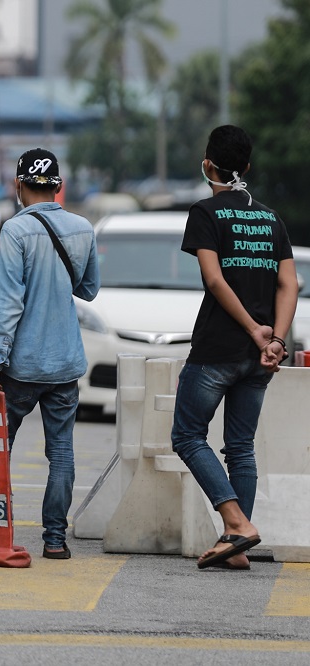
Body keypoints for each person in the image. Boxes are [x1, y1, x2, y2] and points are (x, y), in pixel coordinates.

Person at [171, 125, 297, 570]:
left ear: (208, 164)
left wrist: (251, 330)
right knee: (240, 446)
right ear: (246, 167)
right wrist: (275, 338)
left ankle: (236, 523)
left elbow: (213, 278)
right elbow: (290, 284)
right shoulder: (270, 217)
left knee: (186, 435)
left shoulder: (205, 212)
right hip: (260, 357)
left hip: (218, 349)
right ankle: (234, 544)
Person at [0, 148, 100, 560]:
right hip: (65, 361)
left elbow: (9, 303)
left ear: (18, 185)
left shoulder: (15, 231)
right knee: (62, 451)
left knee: (0, 448)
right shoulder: (83, 228)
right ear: (58, 186)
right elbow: (88, 289)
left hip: (22, 364)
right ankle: (54, 538)